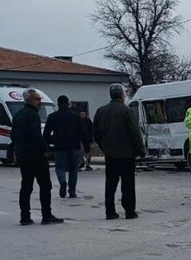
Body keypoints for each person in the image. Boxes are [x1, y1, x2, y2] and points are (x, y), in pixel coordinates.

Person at [93, 83, 145, 219]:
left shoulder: (101, 111)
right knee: (127, 184)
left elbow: (96, 133)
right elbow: (134, 132)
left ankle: (110, 211)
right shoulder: (127, 111)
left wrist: (104, 147)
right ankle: (129, 211)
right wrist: (141, 150)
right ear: (122, 95)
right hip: (126, 154)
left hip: (110, 154)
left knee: (110, 184)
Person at [11, 89, 62, 225]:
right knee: (45, 185)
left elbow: (13, 136)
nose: (40, 102)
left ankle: (25, 216)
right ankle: (46, 214)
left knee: (26, 187)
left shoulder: (18, 115)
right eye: (37, 99)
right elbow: (36, 136)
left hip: (23, 156)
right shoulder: (32, 115)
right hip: (36, 157)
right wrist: (45, 150)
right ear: (29, 100)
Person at [43, 95, 84, 199]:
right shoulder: (75, 116)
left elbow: (46, 133)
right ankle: (72, 191)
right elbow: (82, 132)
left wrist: (46, 146)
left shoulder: (53, 116)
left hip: (60, 146)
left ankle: (62, 181)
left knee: (60, 167)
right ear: (68, 103)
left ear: (58, 104)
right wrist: (87, 147)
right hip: (74, 146)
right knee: (73, 169)